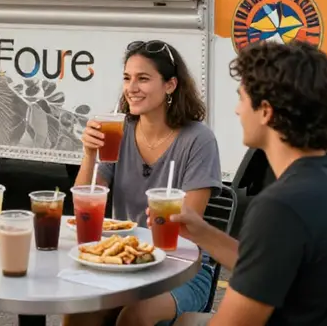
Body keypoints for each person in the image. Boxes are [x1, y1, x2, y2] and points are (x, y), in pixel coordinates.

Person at [169, 41, 327, 326]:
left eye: (242, 98)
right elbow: (267, 267)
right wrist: (202, 233)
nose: (237, 110)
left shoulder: (281, 206)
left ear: (266, 111)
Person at [63, 40, 222, 326]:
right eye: (127, 78)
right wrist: (89, 154)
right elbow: (85, 207)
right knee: (79, 312)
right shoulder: (118, 131)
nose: (131, 88)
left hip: (182, 268)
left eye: (143, 78)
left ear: (170, 85)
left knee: (135, 316)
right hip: (126, 262)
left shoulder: (198, 139)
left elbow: (188, 225)